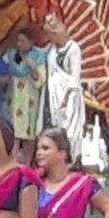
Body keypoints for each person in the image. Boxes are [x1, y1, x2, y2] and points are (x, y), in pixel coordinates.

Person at [3, 28, 48, 157]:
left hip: (30, 98)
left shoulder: (37, 56)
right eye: (18, 40)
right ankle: (11, 162)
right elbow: (5, 72)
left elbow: (40, 80)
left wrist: (33, 67)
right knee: (14, 131)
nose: (19, 44)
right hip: (14, 97)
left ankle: (27, 164)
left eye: (22, 41)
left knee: (29, 131)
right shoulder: (12, 55)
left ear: (31, 42)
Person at [44, 13, 85, 151]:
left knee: (71, 127)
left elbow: (75, 75)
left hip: (70, 94)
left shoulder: (73, 49)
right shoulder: (52, 49)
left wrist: (66, 97)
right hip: (55, 93)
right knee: (58, 126)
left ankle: (73, 155)